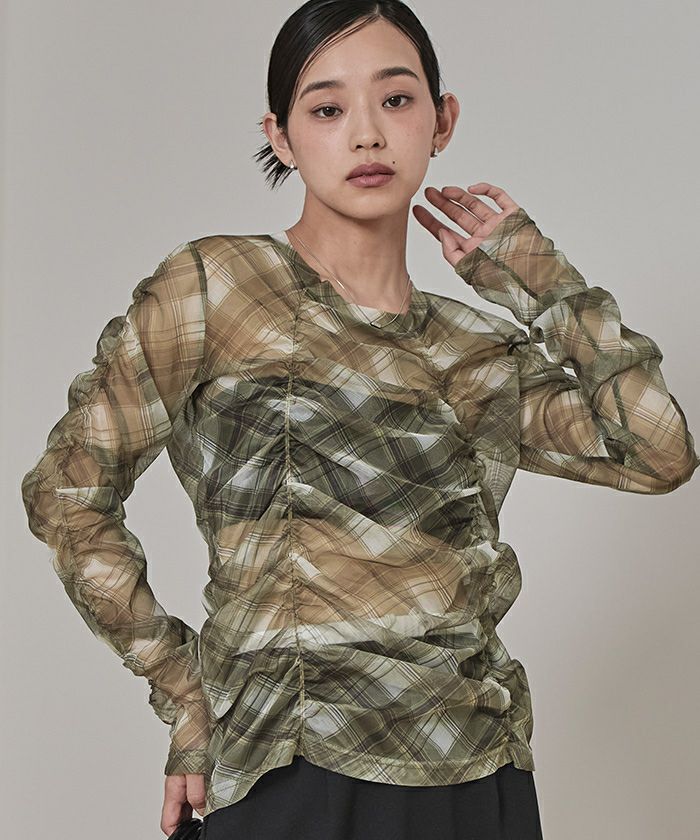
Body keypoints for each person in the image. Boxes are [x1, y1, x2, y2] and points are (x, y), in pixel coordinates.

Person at [19, 1, 699, 838]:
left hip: (475, 775)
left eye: (397, 99)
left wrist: (541, 281)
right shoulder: (220, 287)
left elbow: (659, 452)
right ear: (280, 136)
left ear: (442, 121)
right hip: (289, 771)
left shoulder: (472, 350)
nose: (368, 134)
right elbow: (68, 492)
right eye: (328, 109)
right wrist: (185, 693)